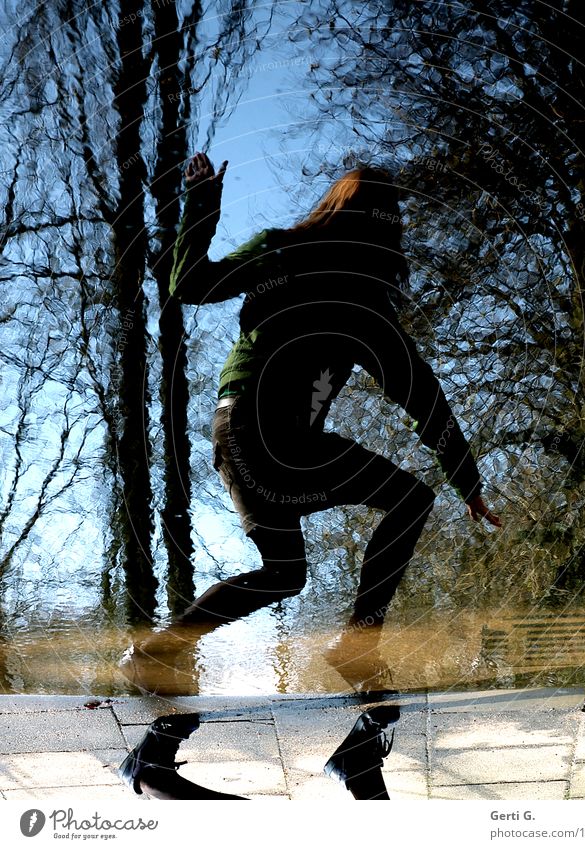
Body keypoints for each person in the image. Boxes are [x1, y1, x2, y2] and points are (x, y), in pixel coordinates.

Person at [122, 151, 501, 693]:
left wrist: (201, 205)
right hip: (278, 437)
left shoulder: (283, 251)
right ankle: (357, 644)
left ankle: (158, 651)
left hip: (234, 433)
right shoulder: (366, 305)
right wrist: (467, 481)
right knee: (411, 499)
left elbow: (190, 285)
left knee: (284, 573)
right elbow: (424, 399)